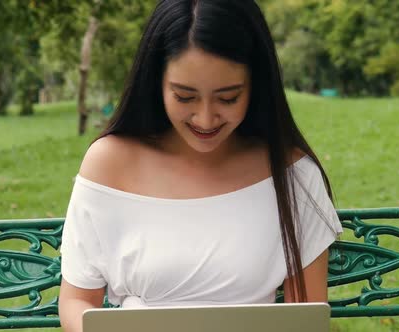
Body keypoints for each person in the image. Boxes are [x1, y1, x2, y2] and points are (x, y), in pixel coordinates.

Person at [58, 0, 343, 331]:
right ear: (156, 82)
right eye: (184, 97)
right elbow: (76, 300)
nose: (206, 119)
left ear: (256, 86)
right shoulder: (109, 163)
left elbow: (303, 318)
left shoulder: (293, 175)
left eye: (228, 98)